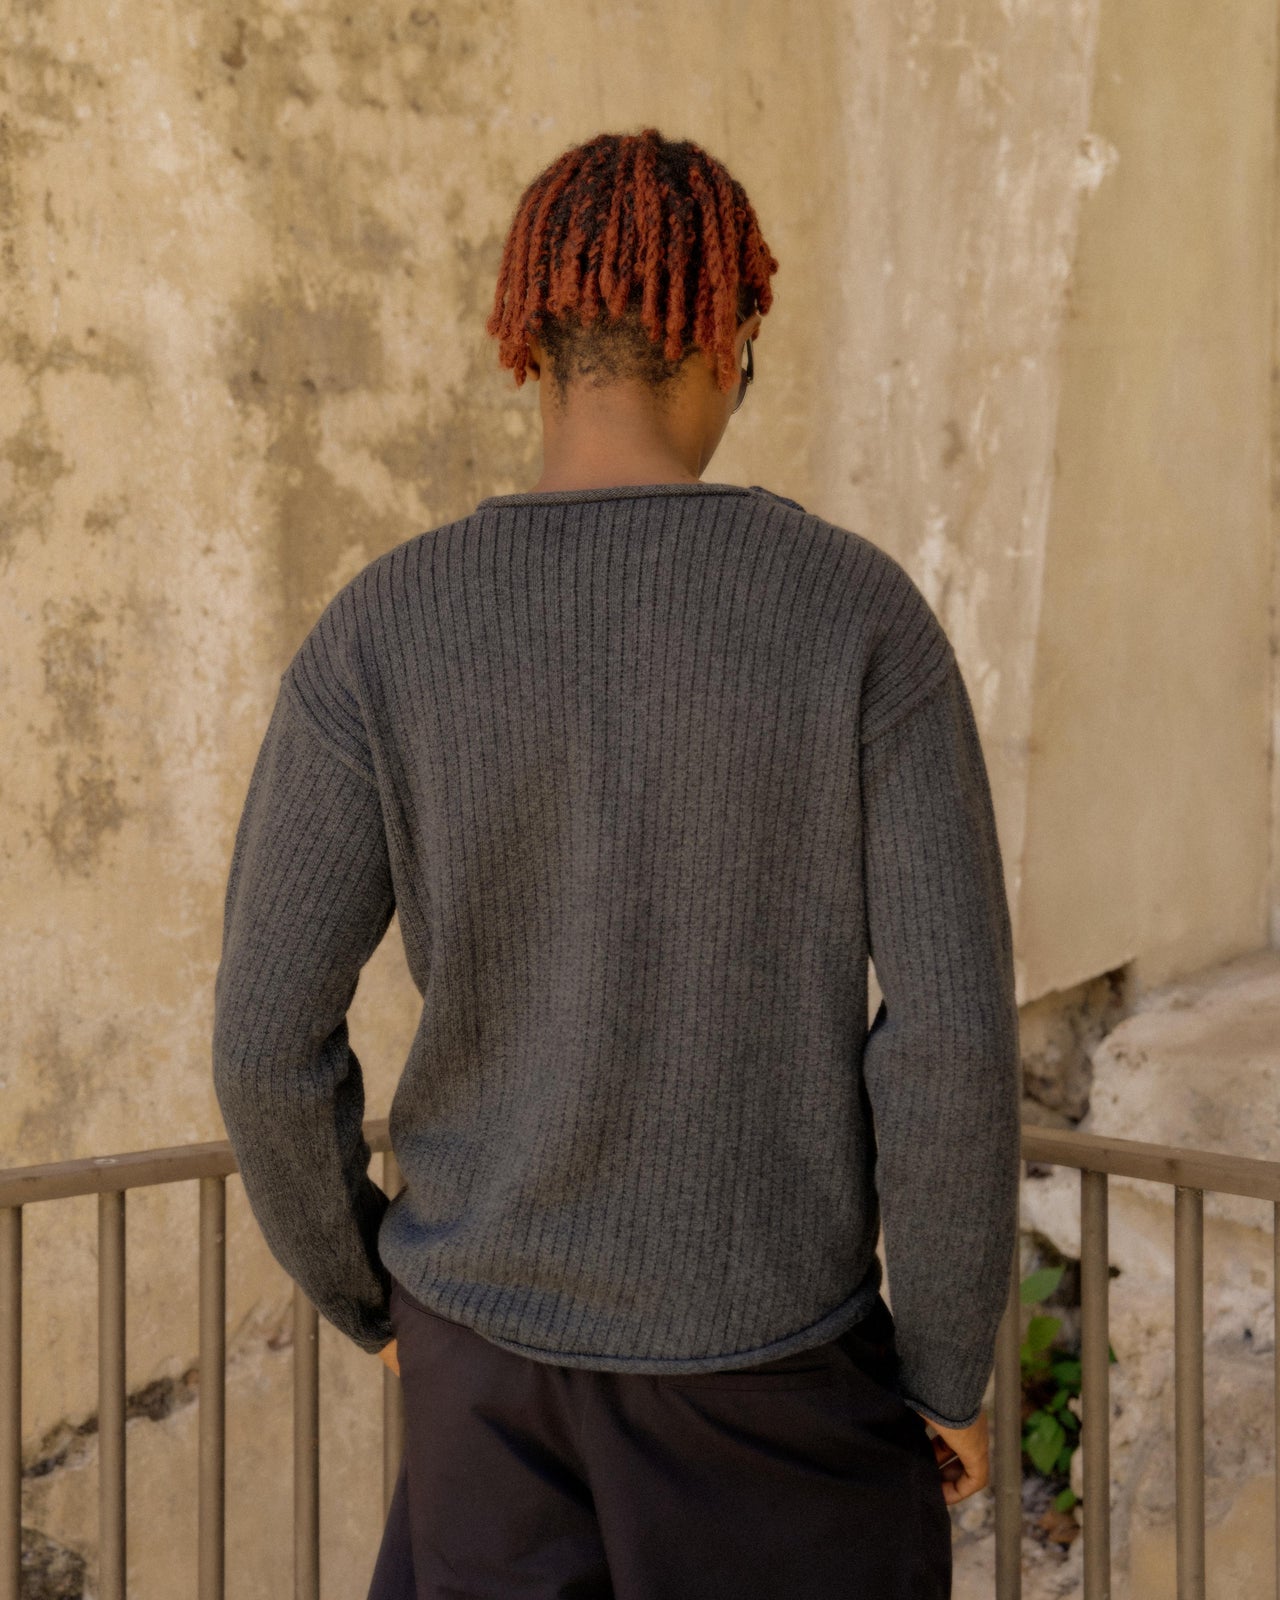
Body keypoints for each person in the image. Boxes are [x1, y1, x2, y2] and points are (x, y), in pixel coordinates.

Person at [212, 126, 1021, 1600]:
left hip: (483, 1385)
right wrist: (951, 1360)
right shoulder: (858, 620)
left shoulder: (383, 632)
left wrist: (376, 1292)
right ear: (728, 338)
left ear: (528, 341)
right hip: (776, 1395)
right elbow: (955, 1043)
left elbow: (266, 1042)